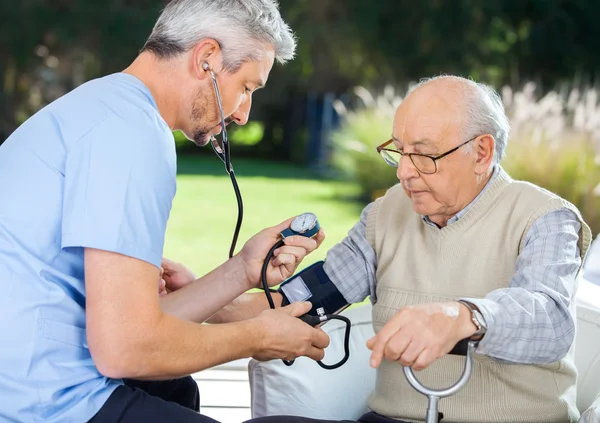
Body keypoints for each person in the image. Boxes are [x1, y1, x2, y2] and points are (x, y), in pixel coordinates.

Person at [0, 1, 330, 423]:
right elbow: (126, 348)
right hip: (36, 400)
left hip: (29, 374)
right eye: (247, 88)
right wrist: (256, 336)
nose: (244, 114)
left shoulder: (105, 108)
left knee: (176, 389)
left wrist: (245, 269)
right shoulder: (132, 136)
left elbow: (134, 327)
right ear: (207, 58)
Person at [243, 75, 593, 423]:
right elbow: (309, 298)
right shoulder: (387, 213)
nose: (405, 172)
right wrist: (208, 302)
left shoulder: (545, 217)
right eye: (400, 151)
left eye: (424, 155)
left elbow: (550, 320)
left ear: (481, 153)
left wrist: (462, 316)